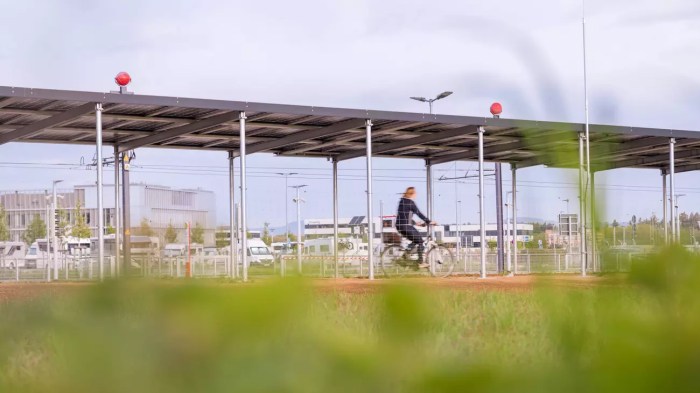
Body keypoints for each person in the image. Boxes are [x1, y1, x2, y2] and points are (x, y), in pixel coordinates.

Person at [395, 187, 436, 267]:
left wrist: (415, 223)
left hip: (399, 226)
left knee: (415, 240)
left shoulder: (401, 201)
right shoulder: (411, 203)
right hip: (406, 226)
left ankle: (404, 256)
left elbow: (403, 215)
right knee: (420, 241)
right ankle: (421, 262)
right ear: (412, 194)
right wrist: (429, 221)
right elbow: (419, 213)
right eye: (415, 193)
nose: (416, 195)